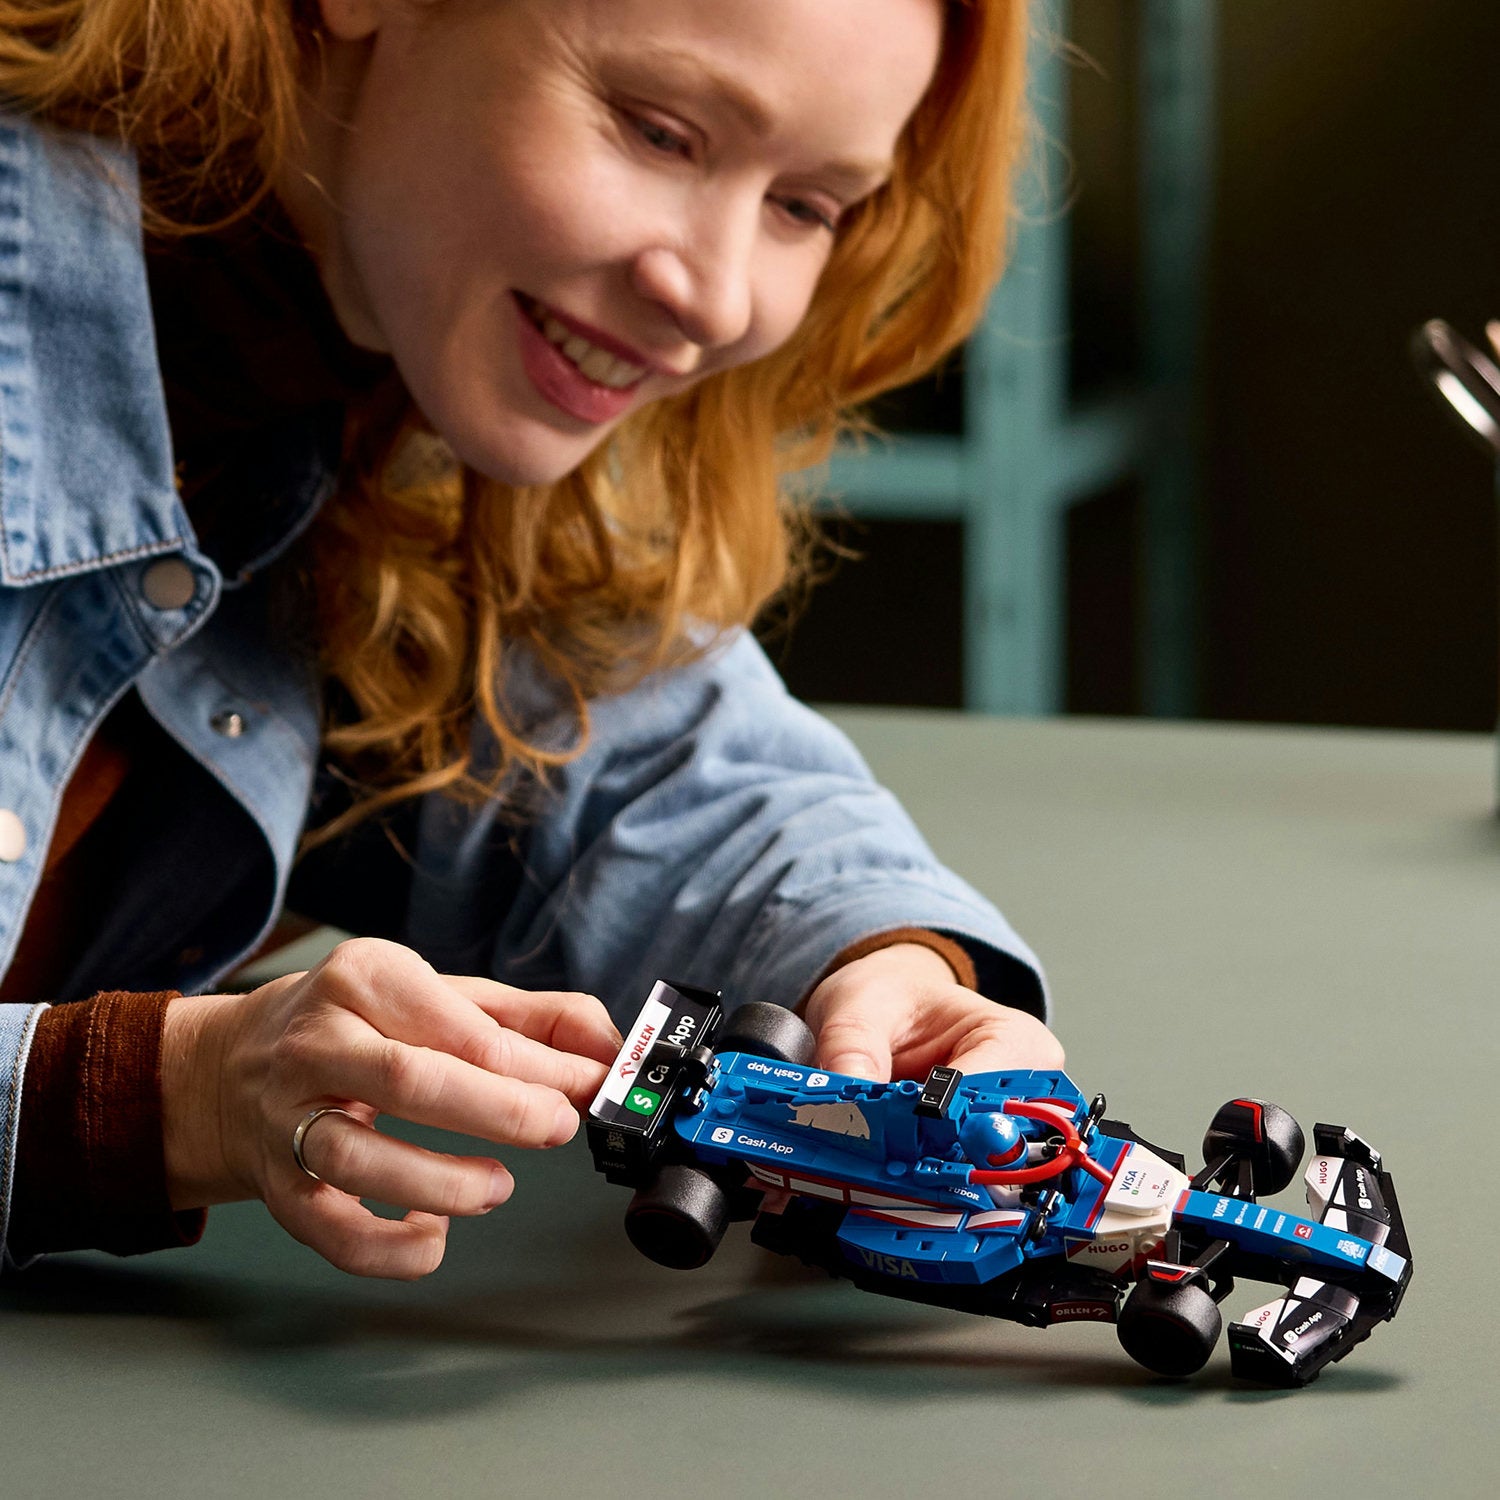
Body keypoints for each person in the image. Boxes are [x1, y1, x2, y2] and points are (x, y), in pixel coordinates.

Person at [0, 0, 1060, 1282]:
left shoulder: (384, 355)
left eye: (805, 205)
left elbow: (649, 772)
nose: (715, 295)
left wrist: (884, 968)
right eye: (660, 132)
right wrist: (159, 1096)